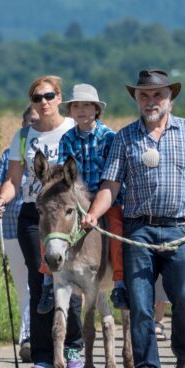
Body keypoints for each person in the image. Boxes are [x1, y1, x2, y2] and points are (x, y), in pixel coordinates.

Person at [82, 69, 185, 368]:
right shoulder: (125, 137)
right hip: (139, 230)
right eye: (144, 95)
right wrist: (92, 214)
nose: (151, 101)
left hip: (181, 229)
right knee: (140, 304)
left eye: (158, 95)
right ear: (137, 99)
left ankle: (184, 351)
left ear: (170, 99)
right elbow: (111, 185)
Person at [0, 75, 82, 368]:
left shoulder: (73, 129)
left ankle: (73, 345)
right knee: (38, 280)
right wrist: (1, 200)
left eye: (48, 96)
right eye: (37, 98)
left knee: (68, 279)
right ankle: (42, 353)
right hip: (35, 214)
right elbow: (14, 182)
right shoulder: (22, 137)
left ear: (59, 97)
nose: (43, 103)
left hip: (68, 215)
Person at [56, 83, 126, 308]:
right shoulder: (67, 139)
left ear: (97, 109)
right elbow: (63, 175)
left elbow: (114, 174)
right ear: (70, 112)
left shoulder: (109, 137)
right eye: (76, 106)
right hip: (77, 202)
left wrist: (98, 204)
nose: (82, 110)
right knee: (52, 226)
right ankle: (51, 278)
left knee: (116, 231)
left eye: (87, 105)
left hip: (107, 198)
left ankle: (120, 281)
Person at [0, 106, 38, 362]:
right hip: (12, 225)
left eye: (37, 121)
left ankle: (35, 336)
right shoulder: (10, 154)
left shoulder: (52, 150)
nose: (33, 125)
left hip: (40, 225)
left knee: (40, 283)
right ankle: (28, 335)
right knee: (23, 285)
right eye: (29, 121)